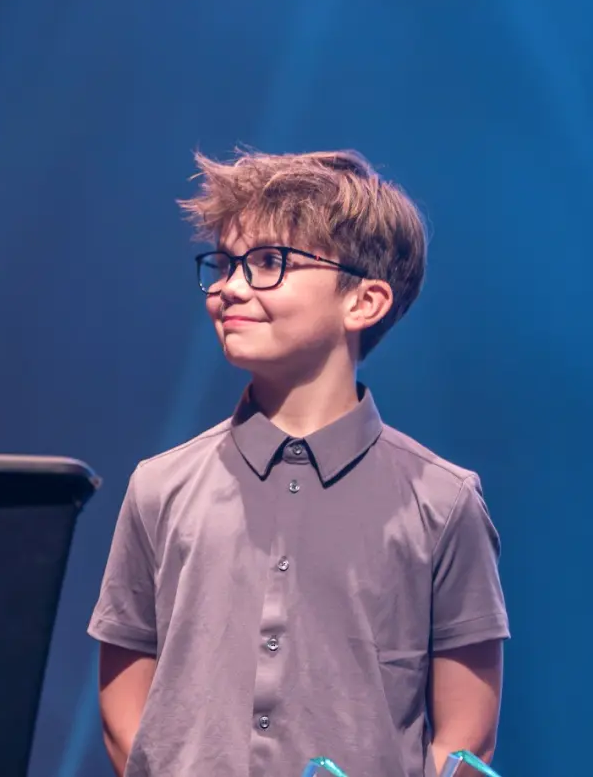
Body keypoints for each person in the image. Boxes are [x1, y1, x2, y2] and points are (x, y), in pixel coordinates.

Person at [89, 149, 508, 777]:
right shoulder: (161, 486)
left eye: (267, 264)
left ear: (363, 302)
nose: (230, 287)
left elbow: (466, 734)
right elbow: (125, 699)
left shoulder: (441, 500)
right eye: (226, 265)